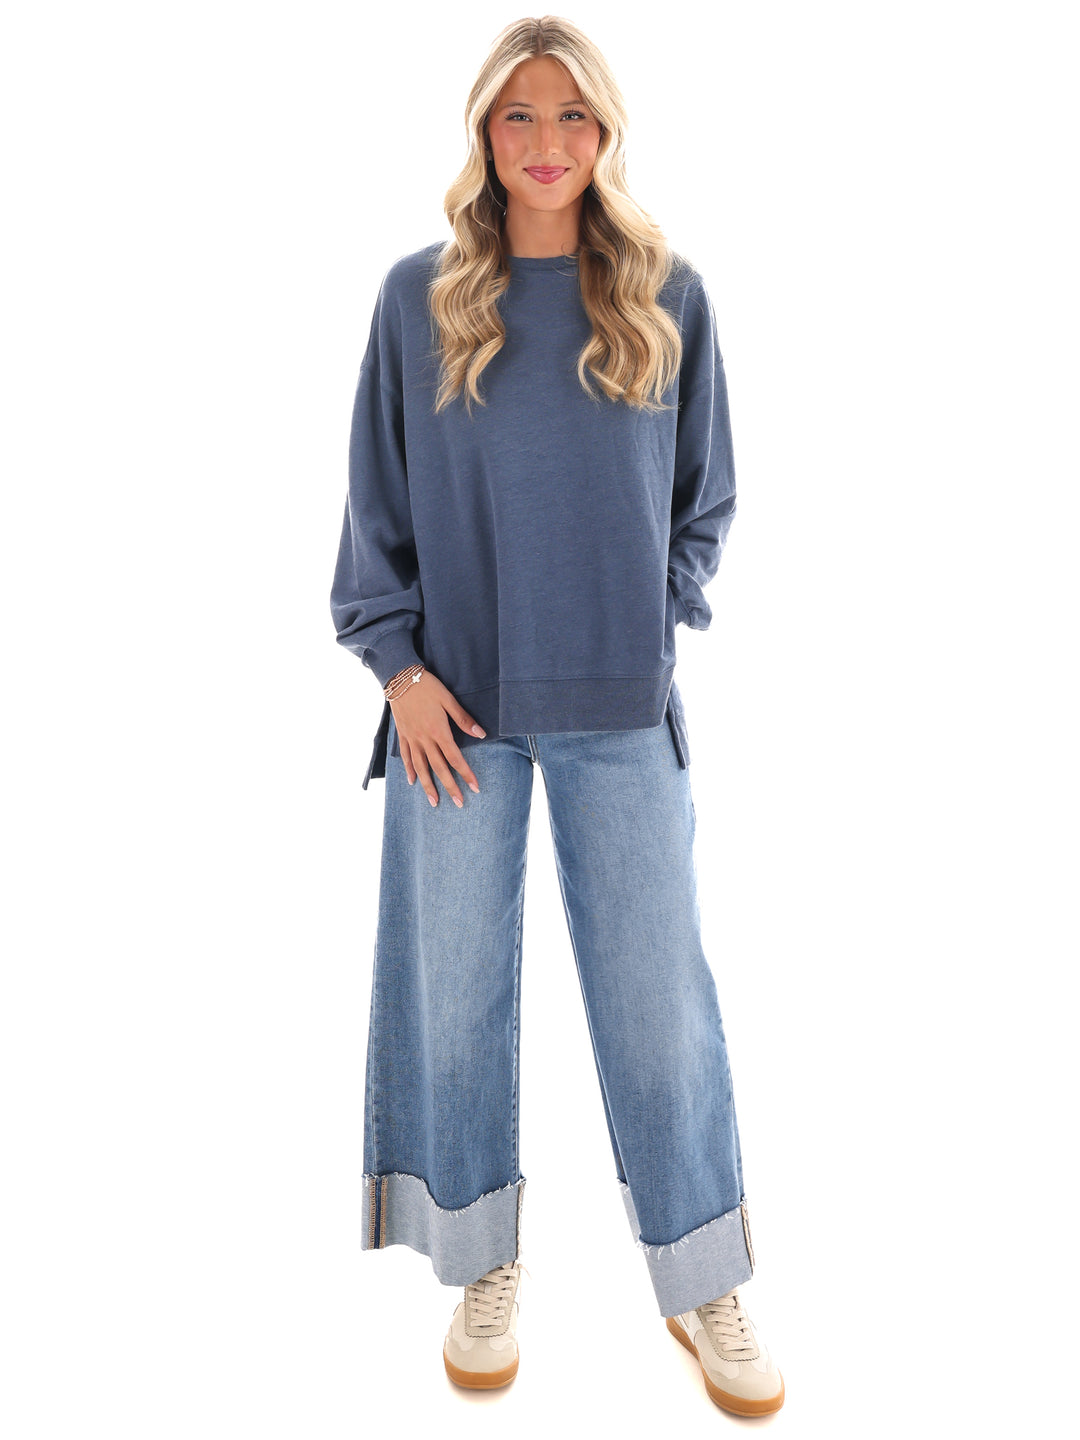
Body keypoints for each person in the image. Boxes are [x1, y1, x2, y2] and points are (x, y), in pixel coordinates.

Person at [329, 14, 784, 1418]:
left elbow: (705, 498)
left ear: (606, 132)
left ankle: (704, 1280)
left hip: (620, 708)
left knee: (660, 1009)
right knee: (453, 999)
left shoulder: (666, 292)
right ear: (485, 131)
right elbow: (373, 515)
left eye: (571, 116)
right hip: (452, 715)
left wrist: (654, 618)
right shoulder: (417, 301)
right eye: (519, 115)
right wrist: (399, 670)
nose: (545, 143)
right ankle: (482, 1259)